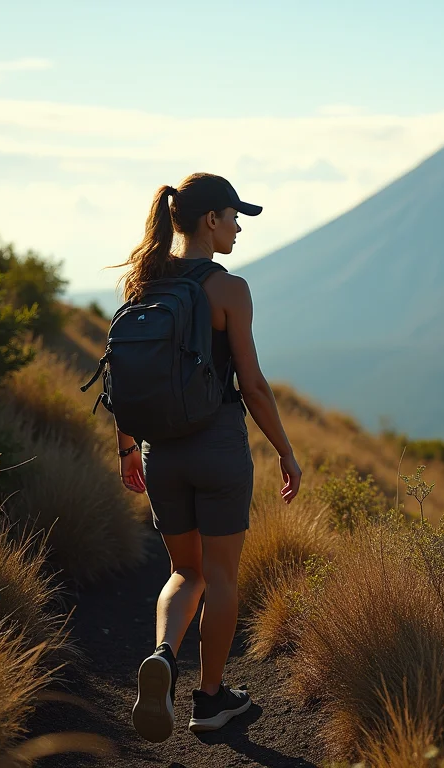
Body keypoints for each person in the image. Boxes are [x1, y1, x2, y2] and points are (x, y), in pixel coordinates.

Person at [113, 174, 302, 742]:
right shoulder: (229, 289)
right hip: (218, 448)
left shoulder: (144, 284)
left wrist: (127, 449)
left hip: (161, 453)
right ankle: (211, 699)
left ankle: (164, 656)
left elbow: (129, 377)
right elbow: (253, 384)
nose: (239, 226)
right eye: (233, 215)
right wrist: (286, 452)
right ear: (209, 221)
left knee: (183, 571)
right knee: (220, 577)